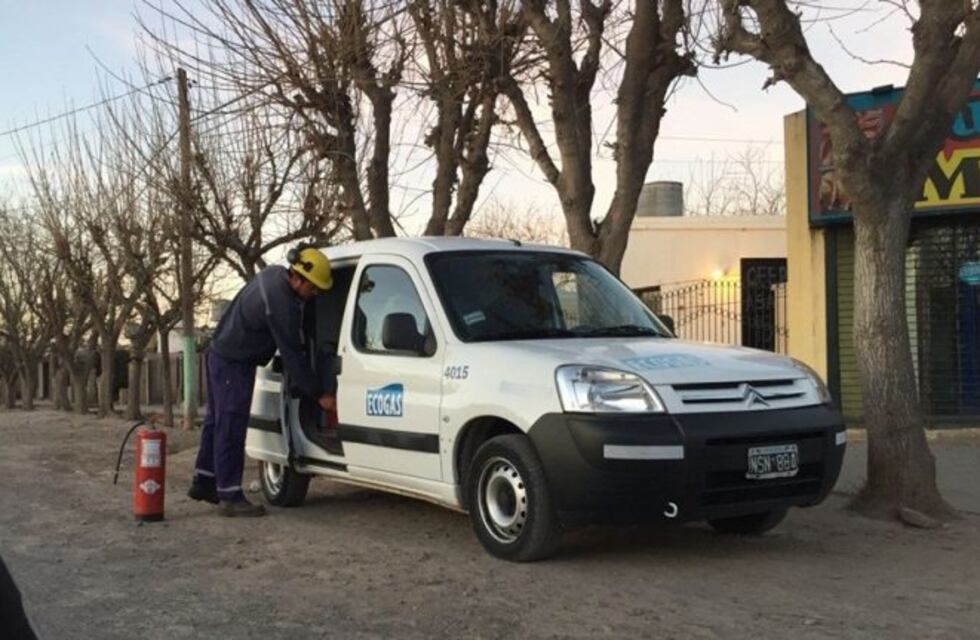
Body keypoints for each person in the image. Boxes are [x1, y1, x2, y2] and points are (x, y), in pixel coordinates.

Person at [188, 246, 336, 517]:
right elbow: (292, 354)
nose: (315, 294)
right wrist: (319, 394)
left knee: (217, 422)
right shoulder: (281, 304)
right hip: (234, 362)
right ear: (298, 279)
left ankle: (205, 481)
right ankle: (230, 496)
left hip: (221, 356)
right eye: (313, 289)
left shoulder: (274, 275)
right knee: (230, 425)